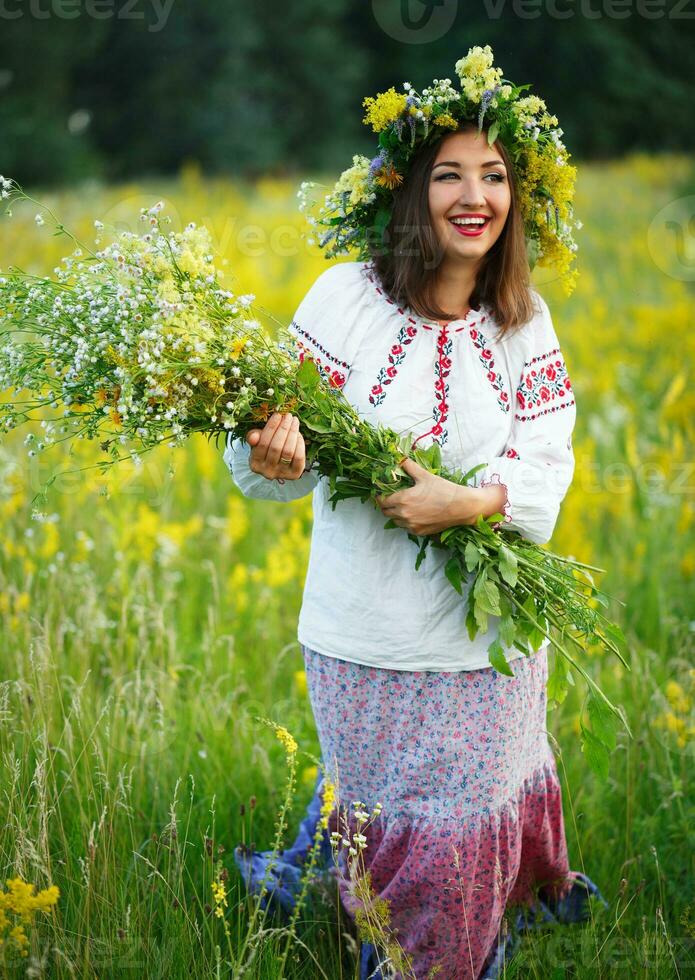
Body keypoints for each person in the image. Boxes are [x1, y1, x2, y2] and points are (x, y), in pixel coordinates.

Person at [224, 47, 606, 980]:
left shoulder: (523, 319)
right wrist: (270, 452)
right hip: (363, 636)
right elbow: (262, 465)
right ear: (407, 192)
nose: (473, 196)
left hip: (488, 644)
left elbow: (547, 458)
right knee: (387, 811)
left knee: (464, 824)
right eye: (448, 175)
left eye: (494, 175)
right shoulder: (342, 298)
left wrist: (468, 502)